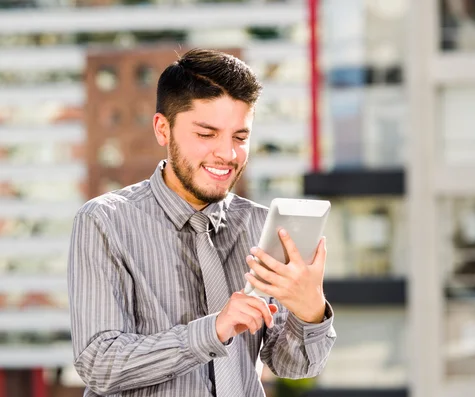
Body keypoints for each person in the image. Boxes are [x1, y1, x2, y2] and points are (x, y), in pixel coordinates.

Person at [68, 48, 336, 397]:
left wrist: (310, 309)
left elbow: (294, 367)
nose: (227, 154)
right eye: (207, 134)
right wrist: (212, 331)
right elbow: (99, 363)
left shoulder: (259, 226)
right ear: (163, 129)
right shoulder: (104, 222)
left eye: (240, 137)